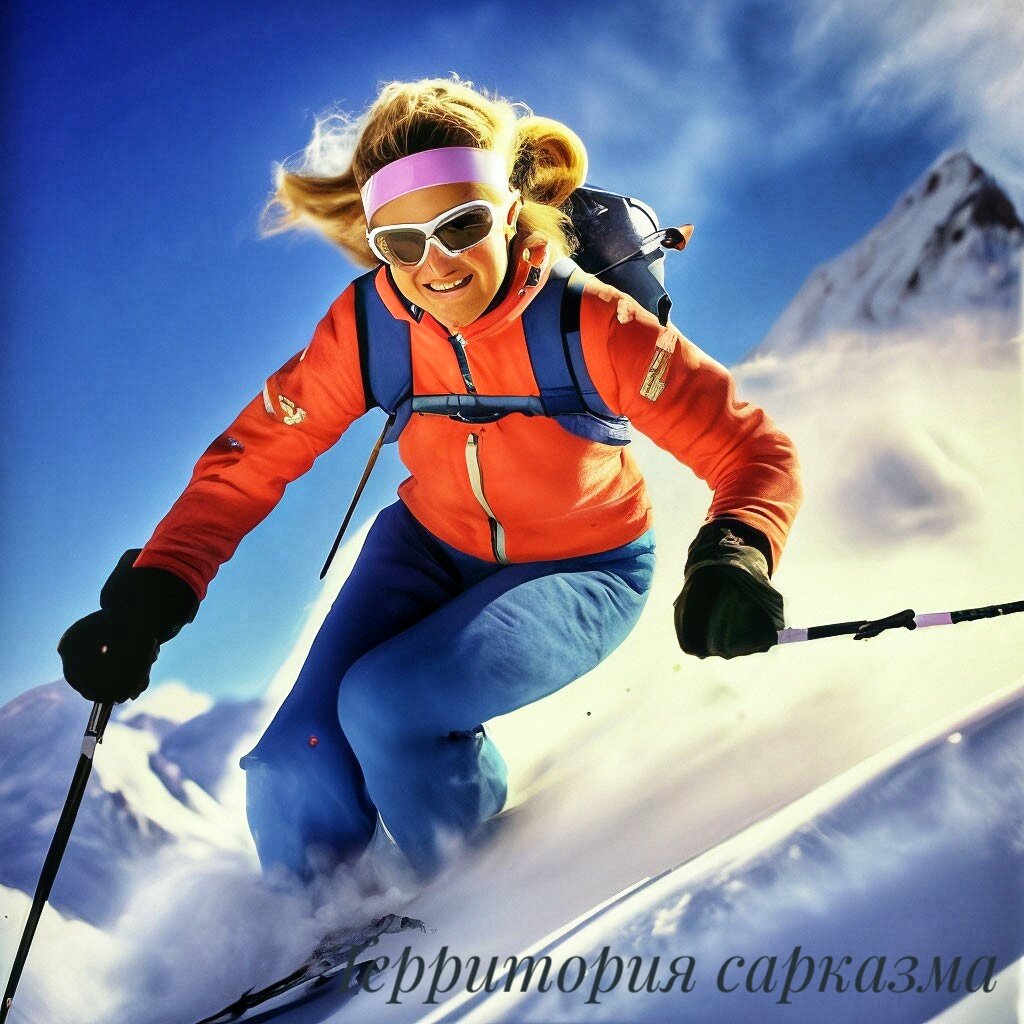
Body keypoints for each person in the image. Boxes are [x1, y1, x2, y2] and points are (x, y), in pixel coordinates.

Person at [57, 77, 803, 882]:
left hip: (584, 566)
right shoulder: (370, 328)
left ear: (508, 213)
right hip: (425, 551)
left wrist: (735, 552)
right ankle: (315, 922)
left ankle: (466, 897)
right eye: (402, 244)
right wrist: (153, 593)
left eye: (462, 226)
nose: (435, 264)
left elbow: (751, 450)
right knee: (289, 766)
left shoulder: (590, 324)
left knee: (390, 706)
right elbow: (251, 461)